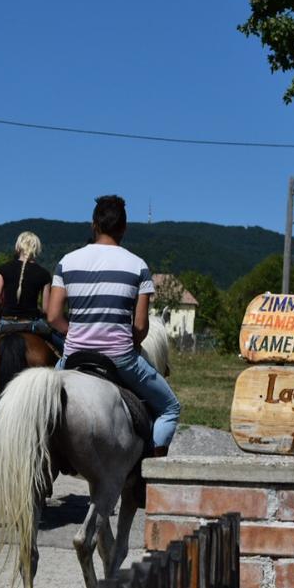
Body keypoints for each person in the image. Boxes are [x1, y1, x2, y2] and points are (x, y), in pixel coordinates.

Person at [45, 195, 180, 458]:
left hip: (74, 356)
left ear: (94, 225)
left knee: (39, 405)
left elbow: (52, 316)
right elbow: (140, 327)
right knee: (170, 408)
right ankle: (147, 474)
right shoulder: (138, 265)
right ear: (124, 228)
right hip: (120, 359)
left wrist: (73, 334)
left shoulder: (67, 261)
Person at [0, 231, 65, 351]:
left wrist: (0, 314)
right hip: (33, 324)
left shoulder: (3, 269)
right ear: (36, 249)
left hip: (6, 322)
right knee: (62, 349)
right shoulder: (44, 274)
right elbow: (45, 309)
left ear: (18, 247)